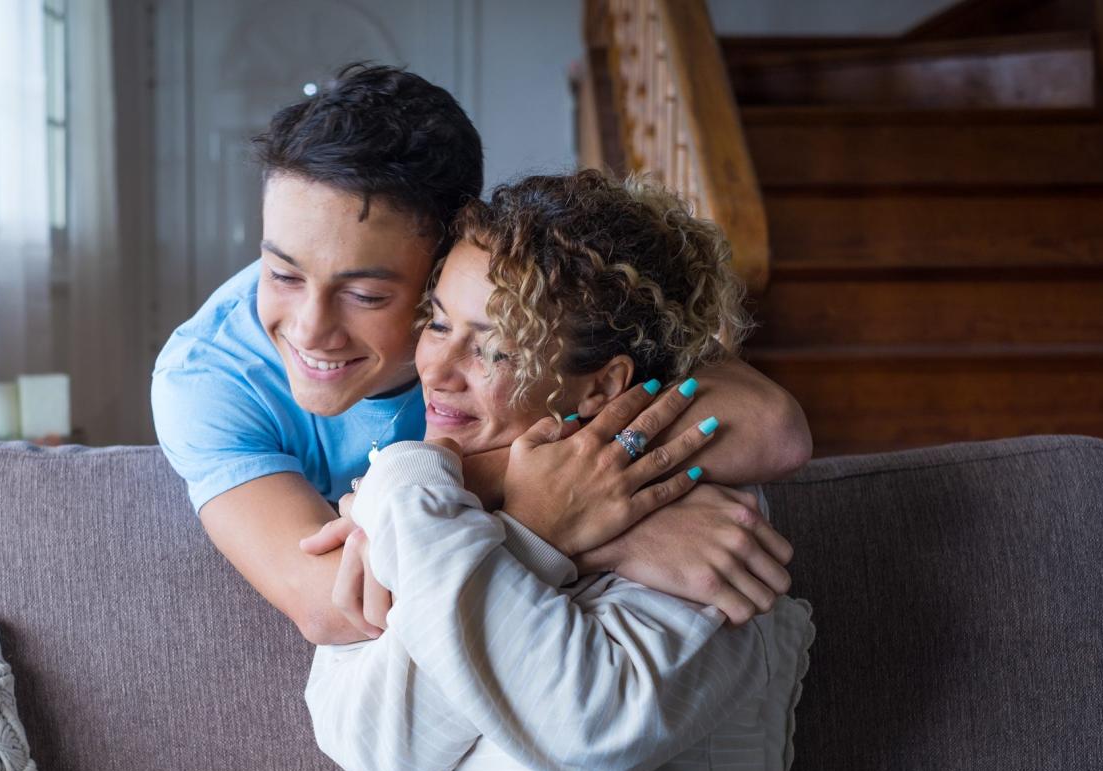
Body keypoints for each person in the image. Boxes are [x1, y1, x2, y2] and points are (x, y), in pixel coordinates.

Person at [306, 170, 816, 771]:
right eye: (438, 322)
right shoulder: (418, 501)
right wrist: (534, 534)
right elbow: (384, 749)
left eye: (495, 349)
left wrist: (416, 494)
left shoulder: (705, 522)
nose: (437, 369)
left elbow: (585, 731)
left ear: (599, 385)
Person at [150, 64, 812, 647]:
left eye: (367, 293)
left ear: (450, 260)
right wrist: (587, 527)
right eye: (283, 274)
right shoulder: (204, 379)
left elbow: (770, 428)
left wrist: (459, 486)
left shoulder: (511, 312)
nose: (310, 328)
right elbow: (334, 606)